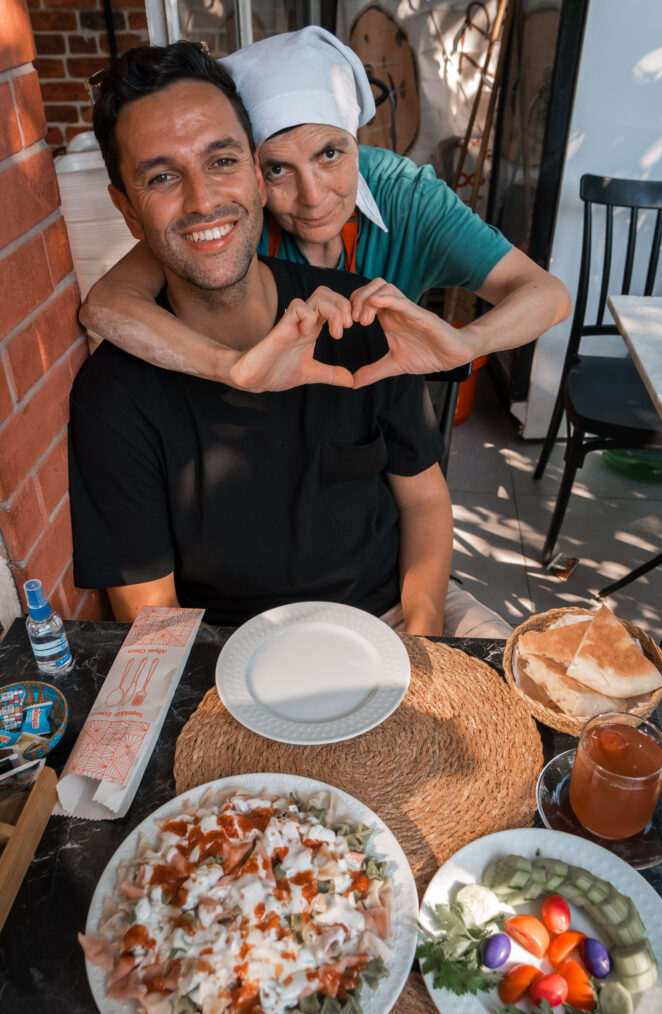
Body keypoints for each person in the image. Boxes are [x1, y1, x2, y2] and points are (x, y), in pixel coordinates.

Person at [68, 41, 510, 638]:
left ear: (254, 173)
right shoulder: (113, 396)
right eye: (162, 176)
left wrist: (421, 642)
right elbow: (155, 622)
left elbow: (424, 500)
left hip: (399, 613)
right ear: (126, 209)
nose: (202, 201)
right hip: (230, 650)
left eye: (221, 160)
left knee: (544, 715)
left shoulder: (356, 317)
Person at [79, 27, 571, 391]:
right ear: (250, 170)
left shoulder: (407, 194)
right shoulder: (230, 215)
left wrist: (469, 343)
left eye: (330, 154)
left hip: (384, 416)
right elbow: (107, 305)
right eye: (277, 169)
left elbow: (545, 293)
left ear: (358, 142)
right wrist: (230, 368)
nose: (313, 197)